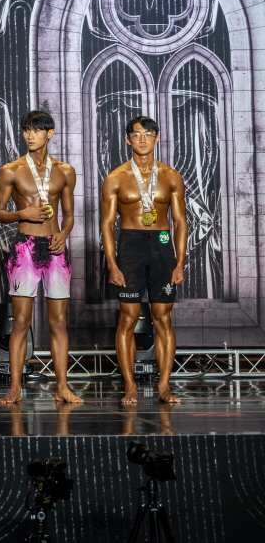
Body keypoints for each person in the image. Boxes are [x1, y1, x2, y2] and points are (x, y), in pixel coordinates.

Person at [0, 111, 82, 404]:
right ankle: (14, 388)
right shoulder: (10, 170)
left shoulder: (65, 171)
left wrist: (64, 234)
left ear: (50, 133)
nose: (30, 135)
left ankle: (62, 388)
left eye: (36, 130)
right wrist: (22, 213)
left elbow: (69, 214)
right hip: (24, 248)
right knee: (20, 321)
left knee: (59, 322)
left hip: (55, 248)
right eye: (26, 130)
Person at [100, 116, 187, 405]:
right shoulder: (116, 177)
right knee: (128, 317)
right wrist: (112, 264)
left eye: (148, 134)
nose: (142, 139)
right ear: (128, 139)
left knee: (164, 318)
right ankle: (130, 386)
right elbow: (107, 224)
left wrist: (179, 262)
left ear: (156, 138)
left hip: (162, 243)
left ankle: (164, 386)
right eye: (136, 135)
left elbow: (180, 221)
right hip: (130, 245)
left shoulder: (171, 176)